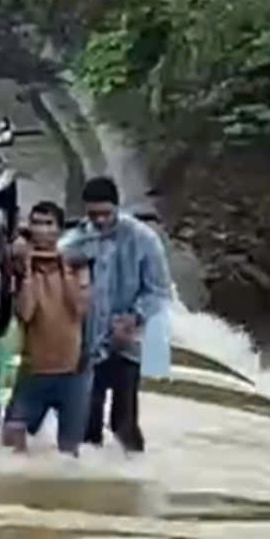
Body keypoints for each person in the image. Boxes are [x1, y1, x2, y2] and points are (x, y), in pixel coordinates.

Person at [59, 177, 172, 453]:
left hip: (128, 341)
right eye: (93, 214)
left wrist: (135, 317)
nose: (99, 220)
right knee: (87, 421)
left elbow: (159, 291)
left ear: (117, 209)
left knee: (124, 422)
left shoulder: (144, 240)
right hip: (88, 342)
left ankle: (134, 473)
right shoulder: (74, 242)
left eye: (105, 214)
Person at [1, 202, 93, 455]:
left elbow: (80, 308)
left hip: (72, 372)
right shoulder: (20, 268)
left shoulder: (77, 263)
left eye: (49, 224)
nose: (42, 230)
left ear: (60, 230)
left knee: (69, 452)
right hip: (34, 370)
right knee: (11, 441)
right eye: (37, 223)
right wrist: (28, 270)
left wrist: (64, 269)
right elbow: (26, 313)